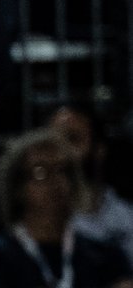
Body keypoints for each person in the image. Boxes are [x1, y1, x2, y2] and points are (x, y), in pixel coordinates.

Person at [0, 127, 133, 288]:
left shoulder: (107, 257)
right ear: (17, 187)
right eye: (41, 172)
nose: (56, 181)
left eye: (63, 170)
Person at [48, 103, 133, 263]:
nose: (61, 152)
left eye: (72, 139)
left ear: (99, 150)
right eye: (54, 142)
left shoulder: (127, 217)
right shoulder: (39, 221)